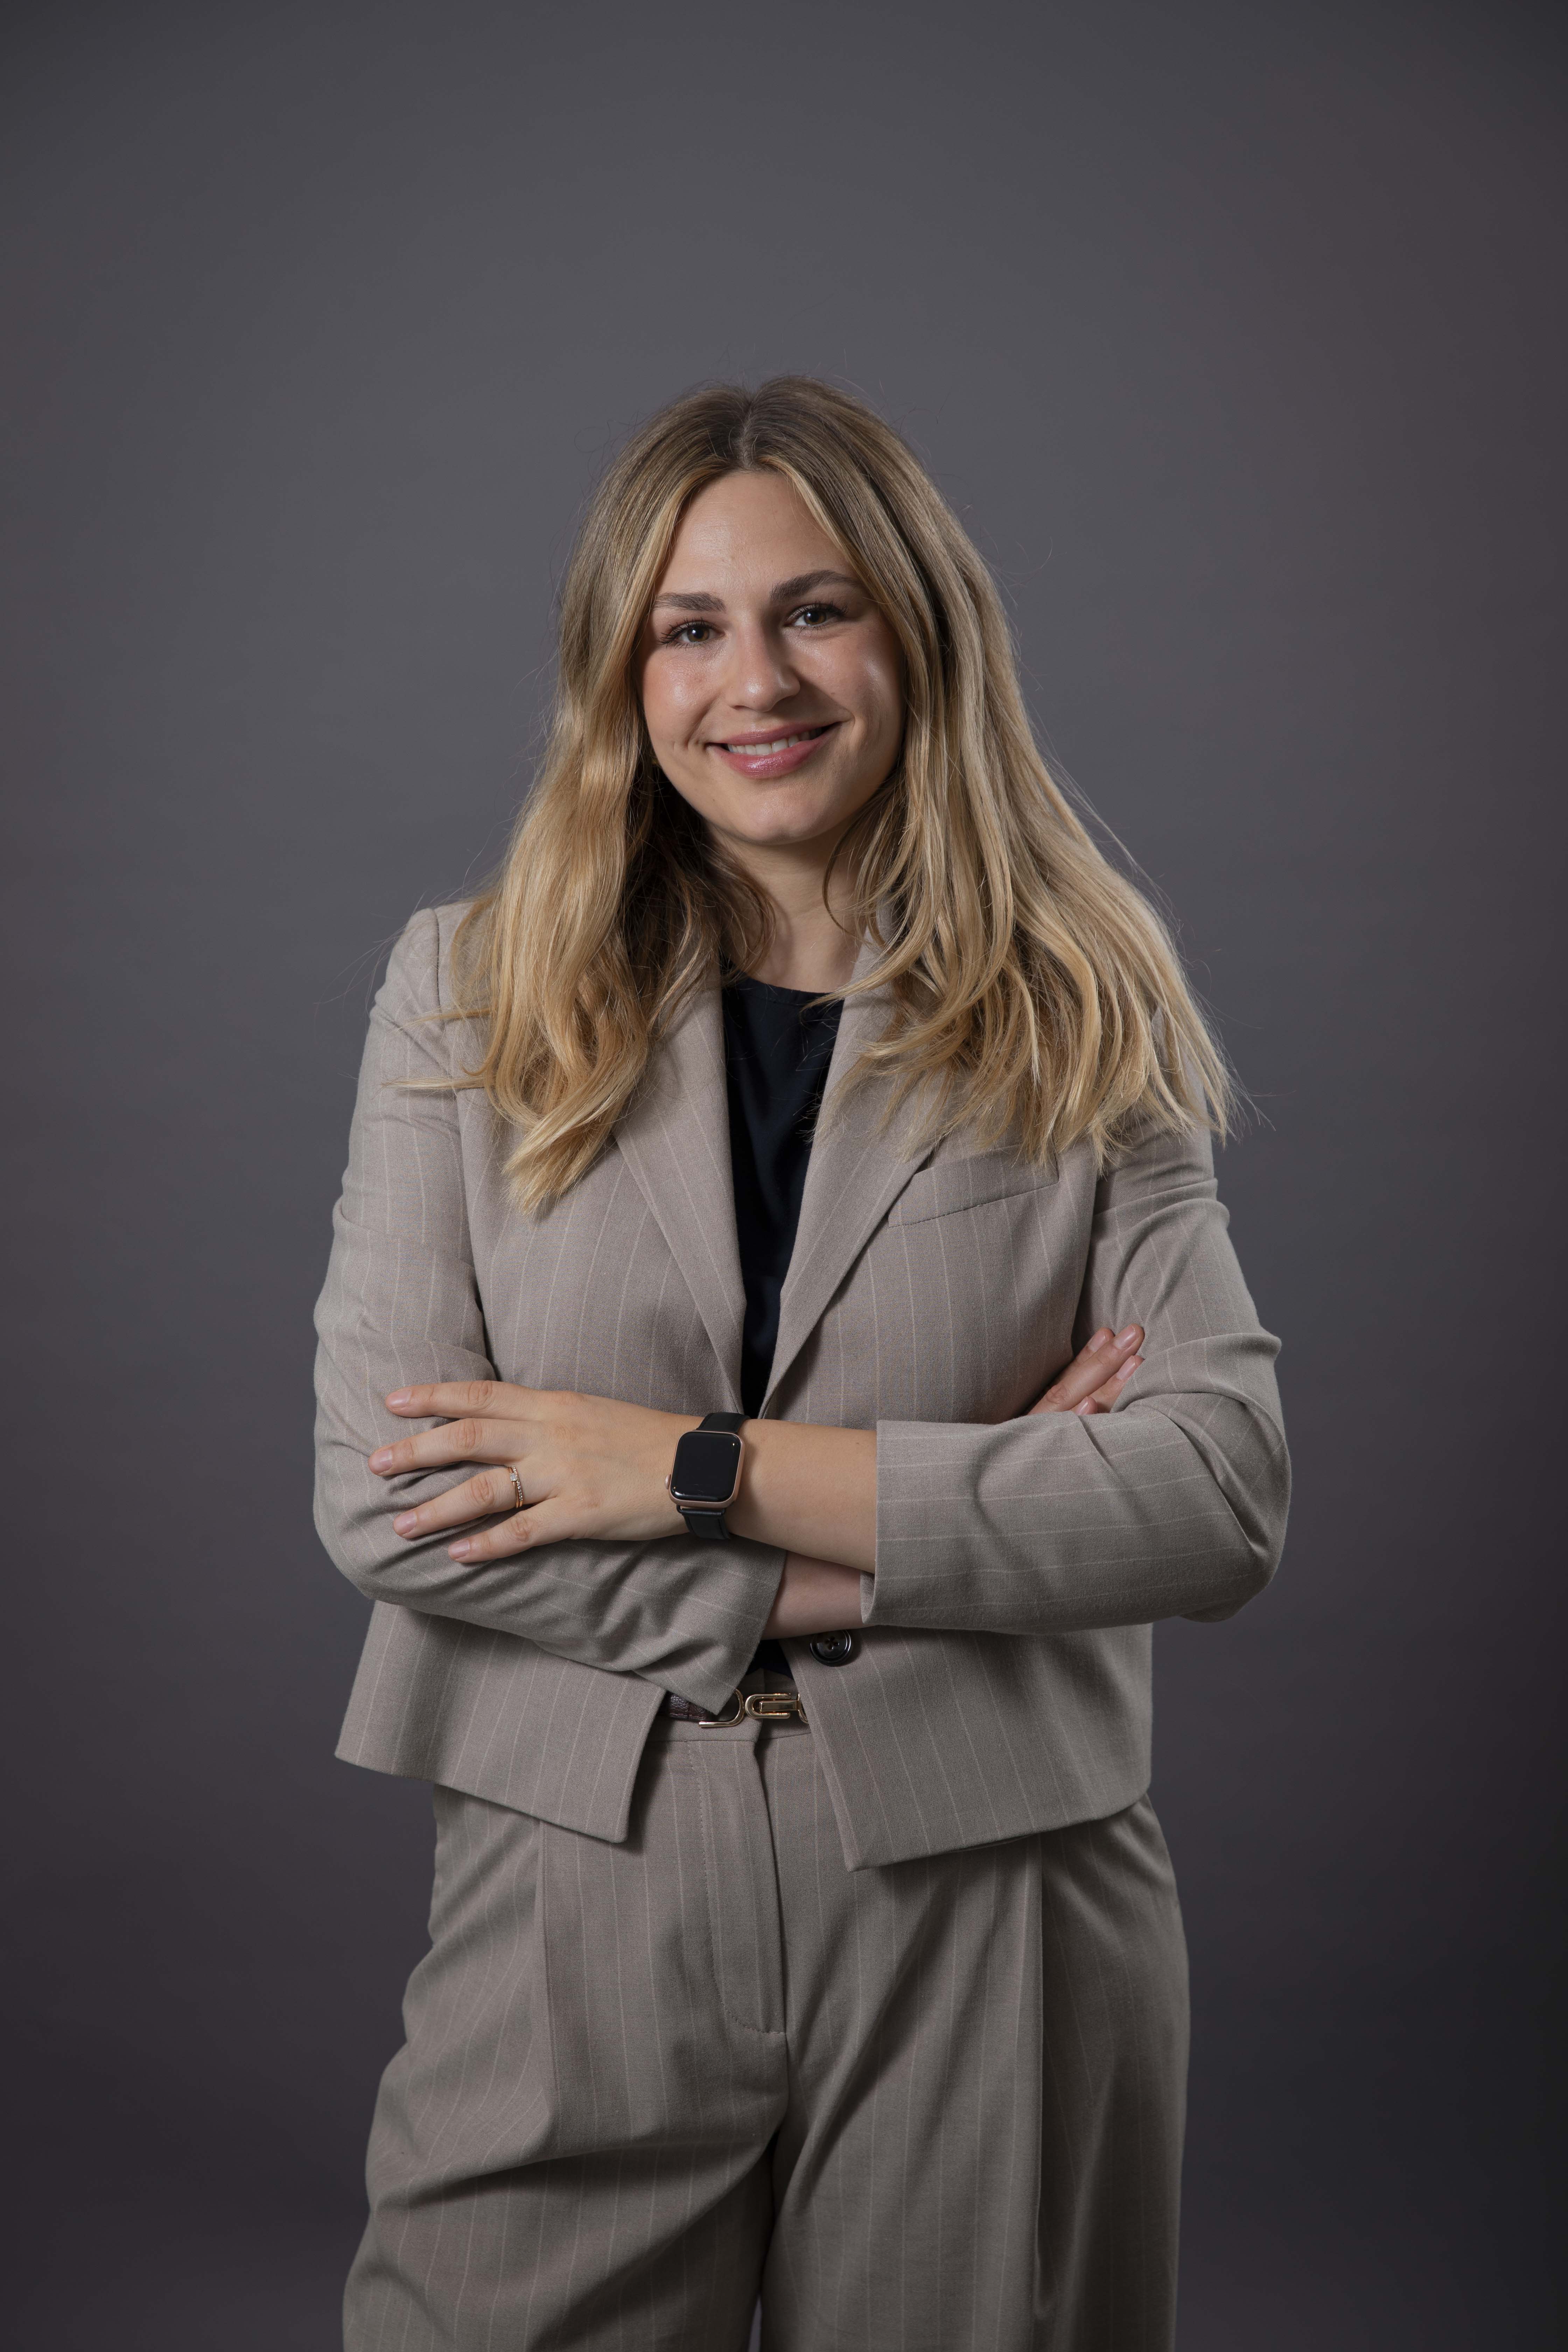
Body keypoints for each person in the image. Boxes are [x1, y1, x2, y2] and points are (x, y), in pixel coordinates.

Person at [313, 376, 1290, 2352]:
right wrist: (923, 1537)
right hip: (575, 1870)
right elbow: (393, 1503)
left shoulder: (1085, 997)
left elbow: (1213, 1493)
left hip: (998, 1885)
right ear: (624, 672)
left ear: (917, 633)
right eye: (689, 626)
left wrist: (685, 1466)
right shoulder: (467, 991)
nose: (753, 679)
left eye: (815, 610)